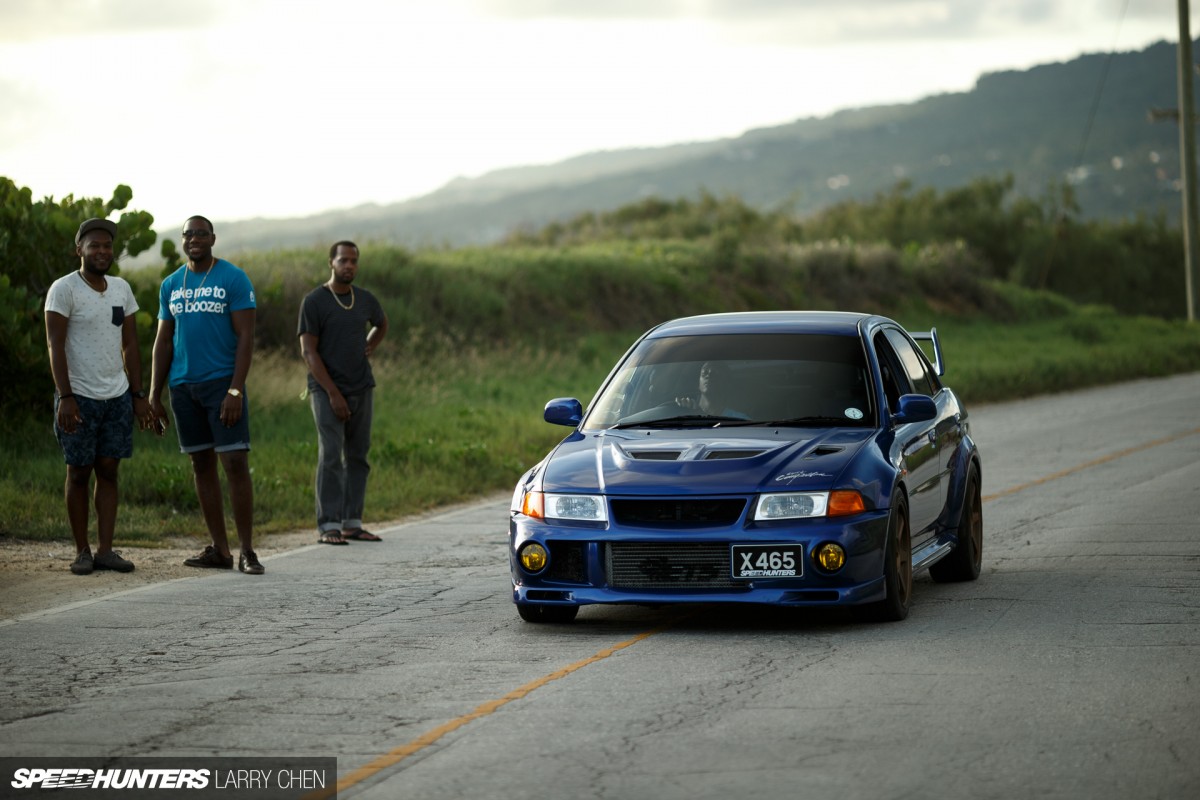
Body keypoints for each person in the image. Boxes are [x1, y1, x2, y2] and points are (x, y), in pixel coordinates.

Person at [149, 216, 263, 574]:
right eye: (188, 234)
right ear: (182, 241)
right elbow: (164, 341)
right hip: (183, 387)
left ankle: (247, 551)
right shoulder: (171, 285)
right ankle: (220, 550)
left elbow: (246, 337)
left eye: (201, 233)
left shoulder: (232, 277)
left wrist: (235, 388)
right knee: (201, 464)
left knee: (234, 462)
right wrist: (154, 394)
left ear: (212, 238)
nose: (194, 239)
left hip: (221, 384)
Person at [45, 218, 154, 575]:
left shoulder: (122, 289)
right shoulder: (64, 290)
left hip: (117, 397)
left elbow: (131, 344)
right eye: (94, 245)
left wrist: (138, 395)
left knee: (109, 470)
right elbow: (55, 346)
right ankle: (82, 551)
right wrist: (66, 396)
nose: (102, 251)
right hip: (79, 397)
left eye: (107, 245)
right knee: (78, 472)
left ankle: (106, 550)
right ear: (80, 249)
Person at [298, 241, 389, 544]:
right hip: (326, 390)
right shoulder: (315, 301)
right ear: (331, 263)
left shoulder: (364, 299)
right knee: (331, 456)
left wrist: (370, 345)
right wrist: (333, 394)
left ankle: (352, 522)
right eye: (343, 260)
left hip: (362, 386)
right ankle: (329, 525)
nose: (349, 265)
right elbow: (308, 353)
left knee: (358, 456)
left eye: (353, 261)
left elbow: (381, 323)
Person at [676, 361, 749, 419]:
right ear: (698, 383)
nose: (709, 376)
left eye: (715, 374)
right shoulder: (684, 411)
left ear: (726, 384)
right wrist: (682, 411)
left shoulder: (740, 419)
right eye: (704, 373)